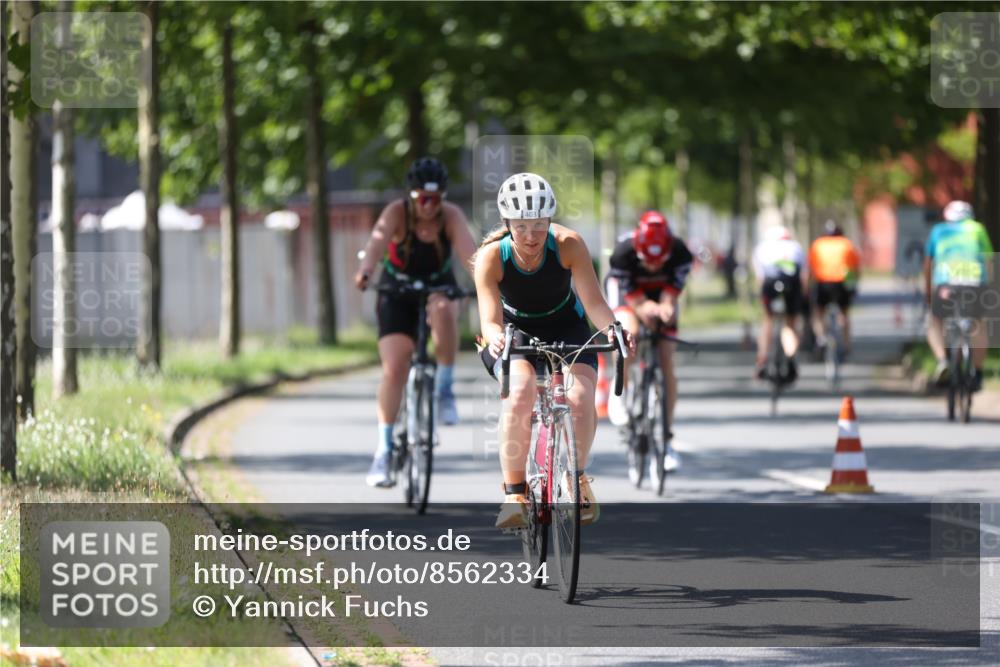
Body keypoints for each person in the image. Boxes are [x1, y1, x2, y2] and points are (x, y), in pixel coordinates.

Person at [474, 172, 634, 529]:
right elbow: (489, 319)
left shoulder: (569, 244)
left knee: (579, 399)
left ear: (550, 221)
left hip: (567, 326)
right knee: (520, 394)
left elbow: (594, 303)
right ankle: (514, 492)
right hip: (515, 331)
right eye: (521, 227)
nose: (531, 236)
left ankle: (576, 478)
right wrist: (496, 336)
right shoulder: (491, 257)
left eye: (539, 225)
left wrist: (614, 328)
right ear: (507, 223)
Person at [354, 157, 477, 487]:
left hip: (438, 285)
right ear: (410, 196)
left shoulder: (450, 216)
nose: (429, 205)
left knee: (445, 310)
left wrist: (486, 281)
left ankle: (446, 388)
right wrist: (365, 271)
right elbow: (375, 245)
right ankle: (384, 449)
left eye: (436, 199)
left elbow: (471, 255)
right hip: (397, 290)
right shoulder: (396, 213)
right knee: (395, 367)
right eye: (422, 197)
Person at [604, 210, 693, 473]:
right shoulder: (622, 254)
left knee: (666, 359)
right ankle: (620, 386)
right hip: (628, 294)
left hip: (660, 292)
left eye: (659, 262)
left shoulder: (680, 252)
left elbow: (672, 292)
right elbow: (631, 296)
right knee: (627, 332)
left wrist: (665, 306)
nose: (653, 266)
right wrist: (645, 308)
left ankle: (666, 439)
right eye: (648, 262)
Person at [924, 200, 994, 390]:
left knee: (935, 321)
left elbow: (928, 264)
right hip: (974, 284)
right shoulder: (978, 229)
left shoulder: (938, 231)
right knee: (979, 325)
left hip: (947, 286)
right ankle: (978, 373)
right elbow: (989, 259)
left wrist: (928, 293)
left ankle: (942, 360)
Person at [752, 225, 807, 382]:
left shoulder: (762, 248)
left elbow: (760, 277)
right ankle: (790, 358)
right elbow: (803, 275)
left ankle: (762, 360)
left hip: (770, 284)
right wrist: (802, 296)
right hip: (791, 285)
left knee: (768, 320)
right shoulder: (796, 247)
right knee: (790, 325)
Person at [808, 220, 861, 357]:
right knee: (844, 313)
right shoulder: (846, 244)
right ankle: (846, 344)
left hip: (823, 283)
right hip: (842, 284)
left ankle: (821, 338)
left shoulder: (817, 244)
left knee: (818, 312)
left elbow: (811, 269)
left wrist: (808, 287)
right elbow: (855, 268)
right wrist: (854, 284)